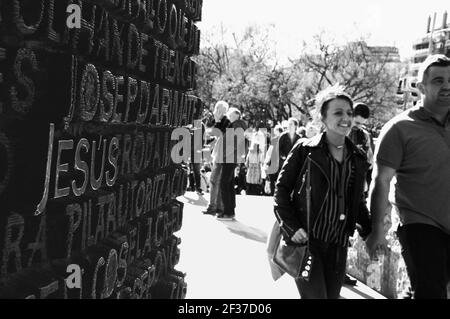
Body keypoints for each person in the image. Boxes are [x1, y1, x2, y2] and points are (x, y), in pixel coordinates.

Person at [274, 85, 371, 299]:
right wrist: (291, 227)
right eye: (338, 113)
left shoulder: (358, 157)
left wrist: (370, 230)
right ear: (323, 118)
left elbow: (357, 200)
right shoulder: (305, 149)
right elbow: (281, 191)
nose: (345, 118)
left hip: (338, 246)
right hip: (308, 244)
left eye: (348, 112)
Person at [366, 54, 450, 299]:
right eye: (438, 80)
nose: (447, 85)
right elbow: (380, 181)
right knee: (430, 292)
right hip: (419, 223)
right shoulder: (399, 128)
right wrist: (376, 229)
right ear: (421, 87)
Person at [217, 107, 247, 220]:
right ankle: (230, 211)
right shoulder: (235, 125)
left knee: (224, 183)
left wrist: (224, 156)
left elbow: (233, 144)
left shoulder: (237, 126)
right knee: (228, 184)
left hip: (230, 158)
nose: (228, 115)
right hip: (230, 158)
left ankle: (228, 212)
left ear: (236, 115)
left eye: (230, 113)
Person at [202, 101, 229, 216]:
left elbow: (217, 135)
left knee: (215, 180)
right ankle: (216, 207)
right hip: (219, 155)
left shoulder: (225, 121)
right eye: (217, 109)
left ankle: (215, 207)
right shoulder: (222, 121)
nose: (216, 112)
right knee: (215, 181)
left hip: (223, 156)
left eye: (218, 110)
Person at [348, 102, 374, 195]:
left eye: (362, 124)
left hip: (357, 184)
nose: (358, 126)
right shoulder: (338, 132)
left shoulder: (365, 135)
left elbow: (370, 162)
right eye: (357, 122)